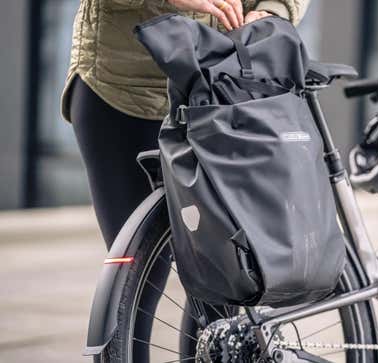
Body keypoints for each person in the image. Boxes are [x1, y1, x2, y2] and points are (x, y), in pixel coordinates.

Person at [62, 0, 310, 250]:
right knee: (141, 260)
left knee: (252, 264)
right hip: (126, 91)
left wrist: (272, 9)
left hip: (229, 90)